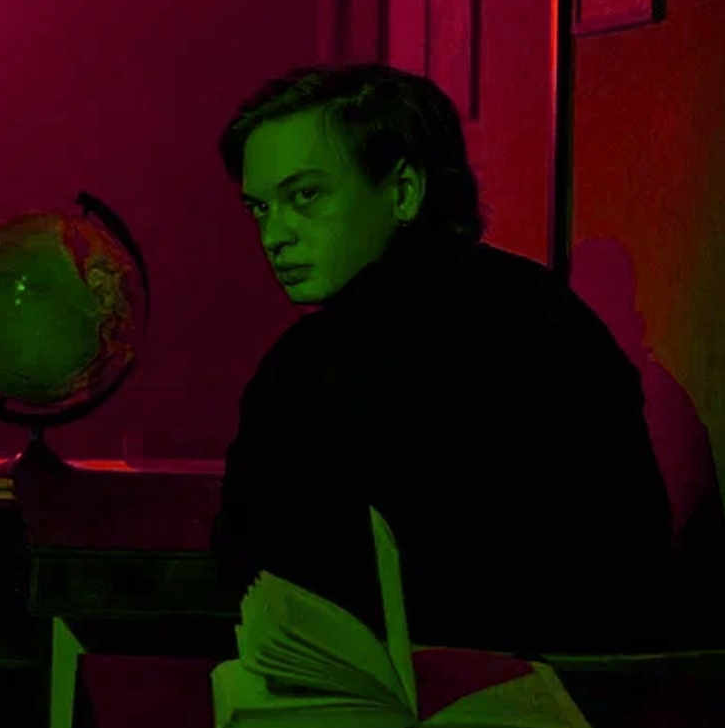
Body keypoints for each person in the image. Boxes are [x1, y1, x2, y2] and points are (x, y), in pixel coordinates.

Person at [210, 63, 679, 654]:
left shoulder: (317, 365)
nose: (274, 235)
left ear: (404, 191)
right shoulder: (547, 313)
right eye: (260, 207)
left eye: (305, 196)